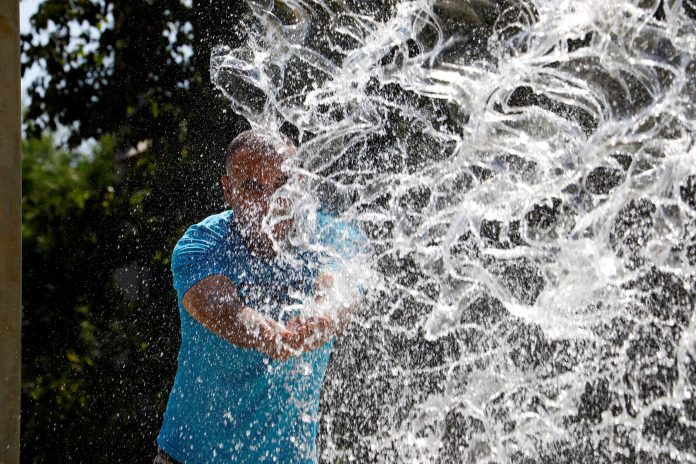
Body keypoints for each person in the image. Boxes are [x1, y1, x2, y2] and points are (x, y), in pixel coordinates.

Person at [154, 130, 365, 464]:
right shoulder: (202, 245)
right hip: (189, 456)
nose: (269, 203)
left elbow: (339, 291)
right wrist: (264, 333)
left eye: (281, 185)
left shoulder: (331, 238)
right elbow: (218, 306)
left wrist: (320, 317)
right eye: (252, 186)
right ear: (228, 190)